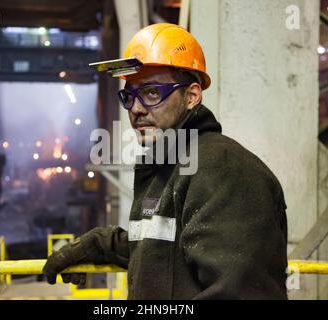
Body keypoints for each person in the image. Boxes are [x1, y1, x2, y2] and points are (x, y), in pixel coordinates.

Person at [43, 23, 288, 300]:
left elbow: (240, 292)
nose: (136, 108)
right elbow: (168, 254)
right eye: (130, 95)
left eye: (152, 93)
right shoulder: (169, 164)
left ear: (192, 96)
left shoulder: (225, 170)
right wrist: (99, 246)